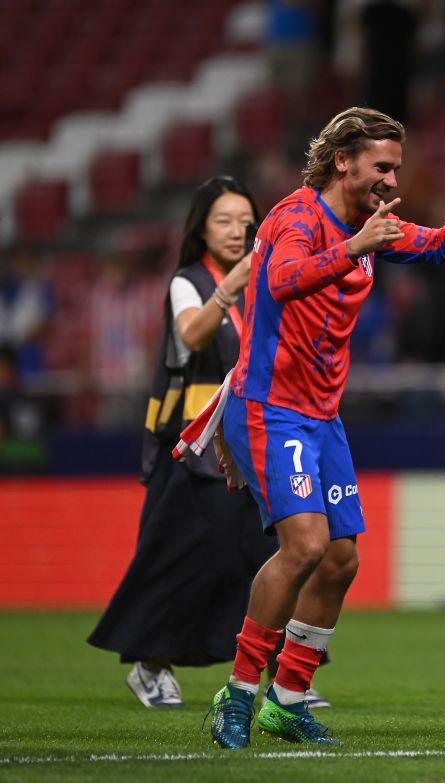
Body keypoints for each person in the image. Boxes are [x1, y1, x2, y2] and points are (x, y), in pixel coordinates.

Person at [206, 107, 445, 749]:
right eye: (382, 166)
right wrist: (353, 249)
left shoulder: (369, 224)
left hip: (322, 415)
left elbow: (441, 248)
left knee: (341, 558)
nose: (390, 179)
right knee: (303, 547)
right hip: (269, 404)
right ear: (342, 161)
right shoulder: (296, 217)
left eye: (396, 168)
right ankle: (237, 696)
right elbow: (281, 279)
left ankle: (287, 700)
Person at [87, 177, 332, 708]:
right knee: (186, 557)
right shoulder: (189, 281)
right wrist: (230, 288)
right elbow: (192, 334)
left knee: (267, 549)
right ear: (199, 228)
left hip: (249, 437)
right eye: (224, 220)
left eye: (246, 221)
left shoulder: (271, 281)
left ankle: (283, 678)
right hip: (192, 446)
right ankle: (151, 665)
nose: (237, 230)